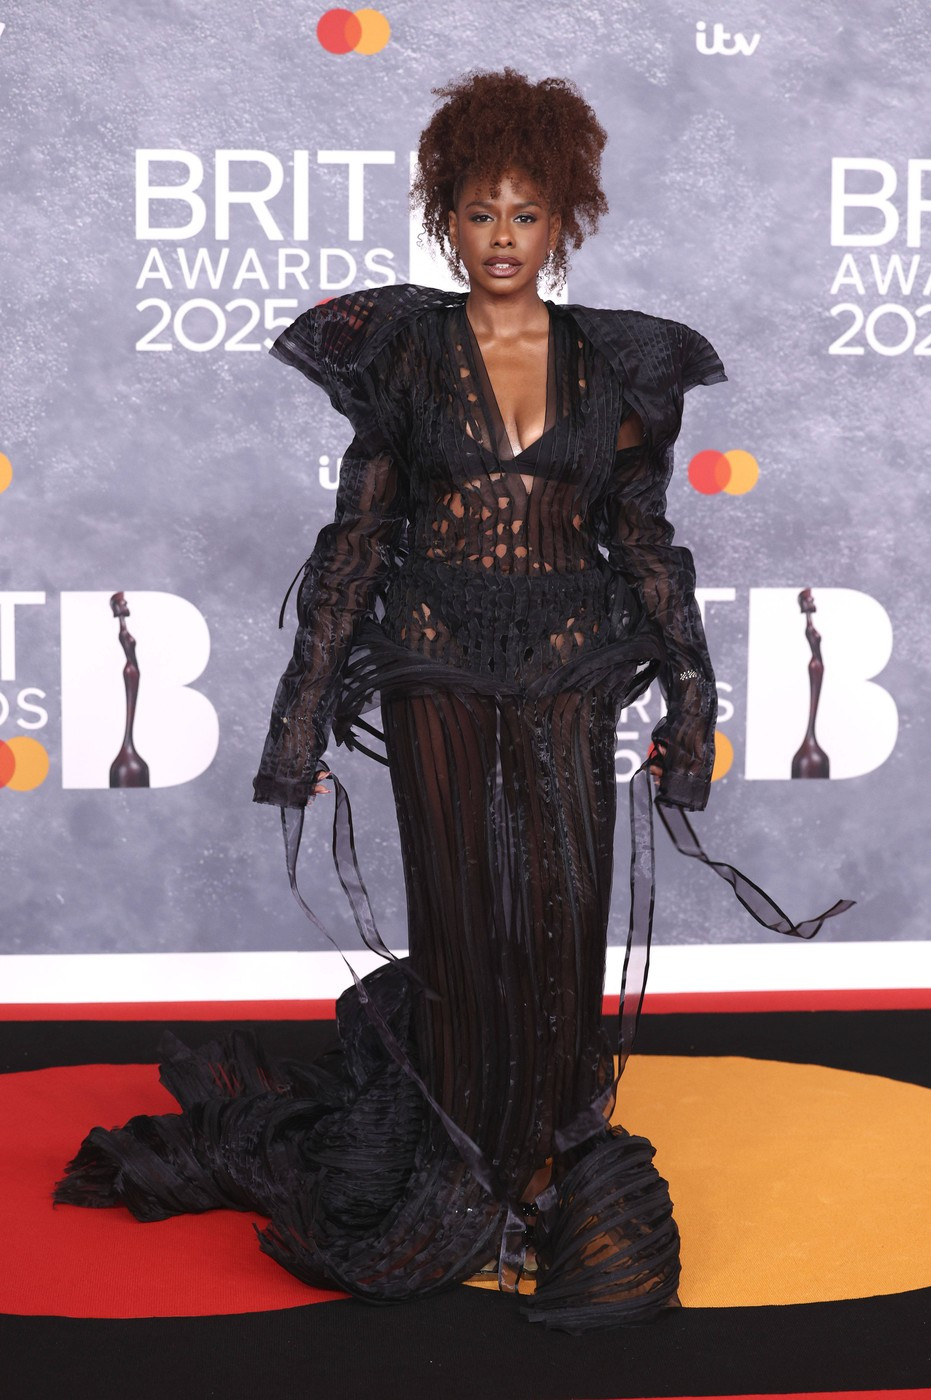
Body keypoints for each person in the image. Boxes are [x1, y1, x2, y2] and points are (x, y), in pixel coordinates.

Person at [54, 69, 849, 1335]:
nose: (500, 238)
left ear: (564, 219)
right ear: (446, 215)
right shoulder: (400, 353)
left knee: (561, 915)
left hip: (574, 663)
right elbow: (356, 541)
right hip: (431, 659)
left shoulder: (623, 363)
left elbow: (648, 547)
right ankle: (468, 1169)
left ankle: (543, 1148)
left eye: (525, 214)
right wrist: (297, 725)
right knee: (466, 917)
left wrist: (692, 708)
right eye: (478, 213)